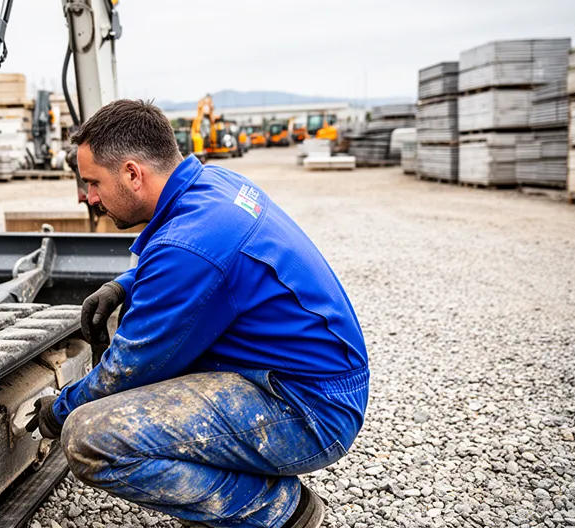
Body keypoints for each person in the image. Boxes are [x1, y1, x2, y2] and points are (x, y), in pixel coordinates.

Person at [26, 100, 369, 528]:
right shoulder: (212, 184)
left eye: (93, 183)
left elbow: (124, 373)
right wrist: (125, 286)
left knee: (89, 436)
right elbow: (208, 263)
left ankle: (278, 512)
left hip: (310, 409)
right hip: (310, 380)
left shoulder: (189, 248)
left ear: (133, 173)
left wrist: (58, 411)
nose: (90, 198)